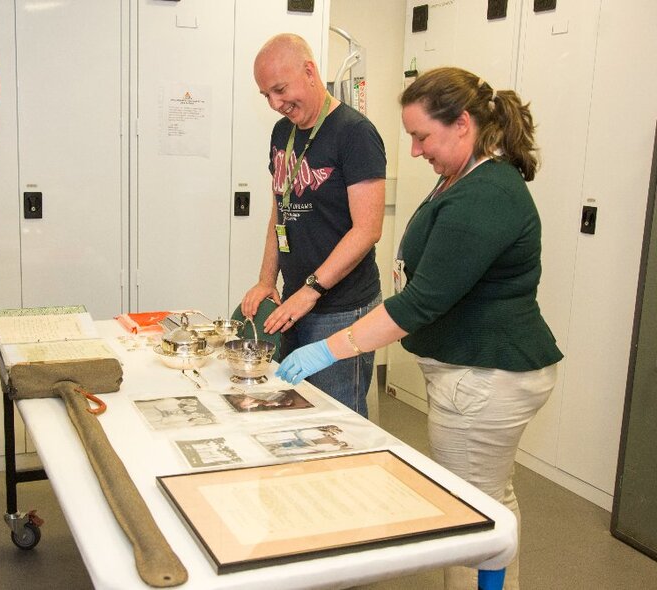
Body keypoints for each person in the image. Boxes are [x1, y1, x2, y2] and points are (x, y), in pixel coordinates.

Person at [276, 66, 564, 590]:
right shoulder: (462, 175)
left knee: (470, 515)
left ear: (462, 124)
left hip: (487, 373)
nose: (414, 151)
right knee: (490, 500)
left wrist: (329, 349)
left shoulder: (487, 194)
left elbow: (418, 305)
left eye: (421, 136)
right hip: (474, 369)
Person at [240, 33, 386, 418]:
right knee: (293, 413)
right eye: (265, 96)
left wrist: (312, 289)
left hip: (342, 308)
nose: (275, 104)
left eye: (280, 89)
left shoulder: (355, 133)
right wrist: (266, 280)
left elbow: (368, 229)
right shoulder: (281, 133)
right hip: (295, 301)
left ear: (309, 71)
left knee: (335, 423)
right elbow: (279, 211)